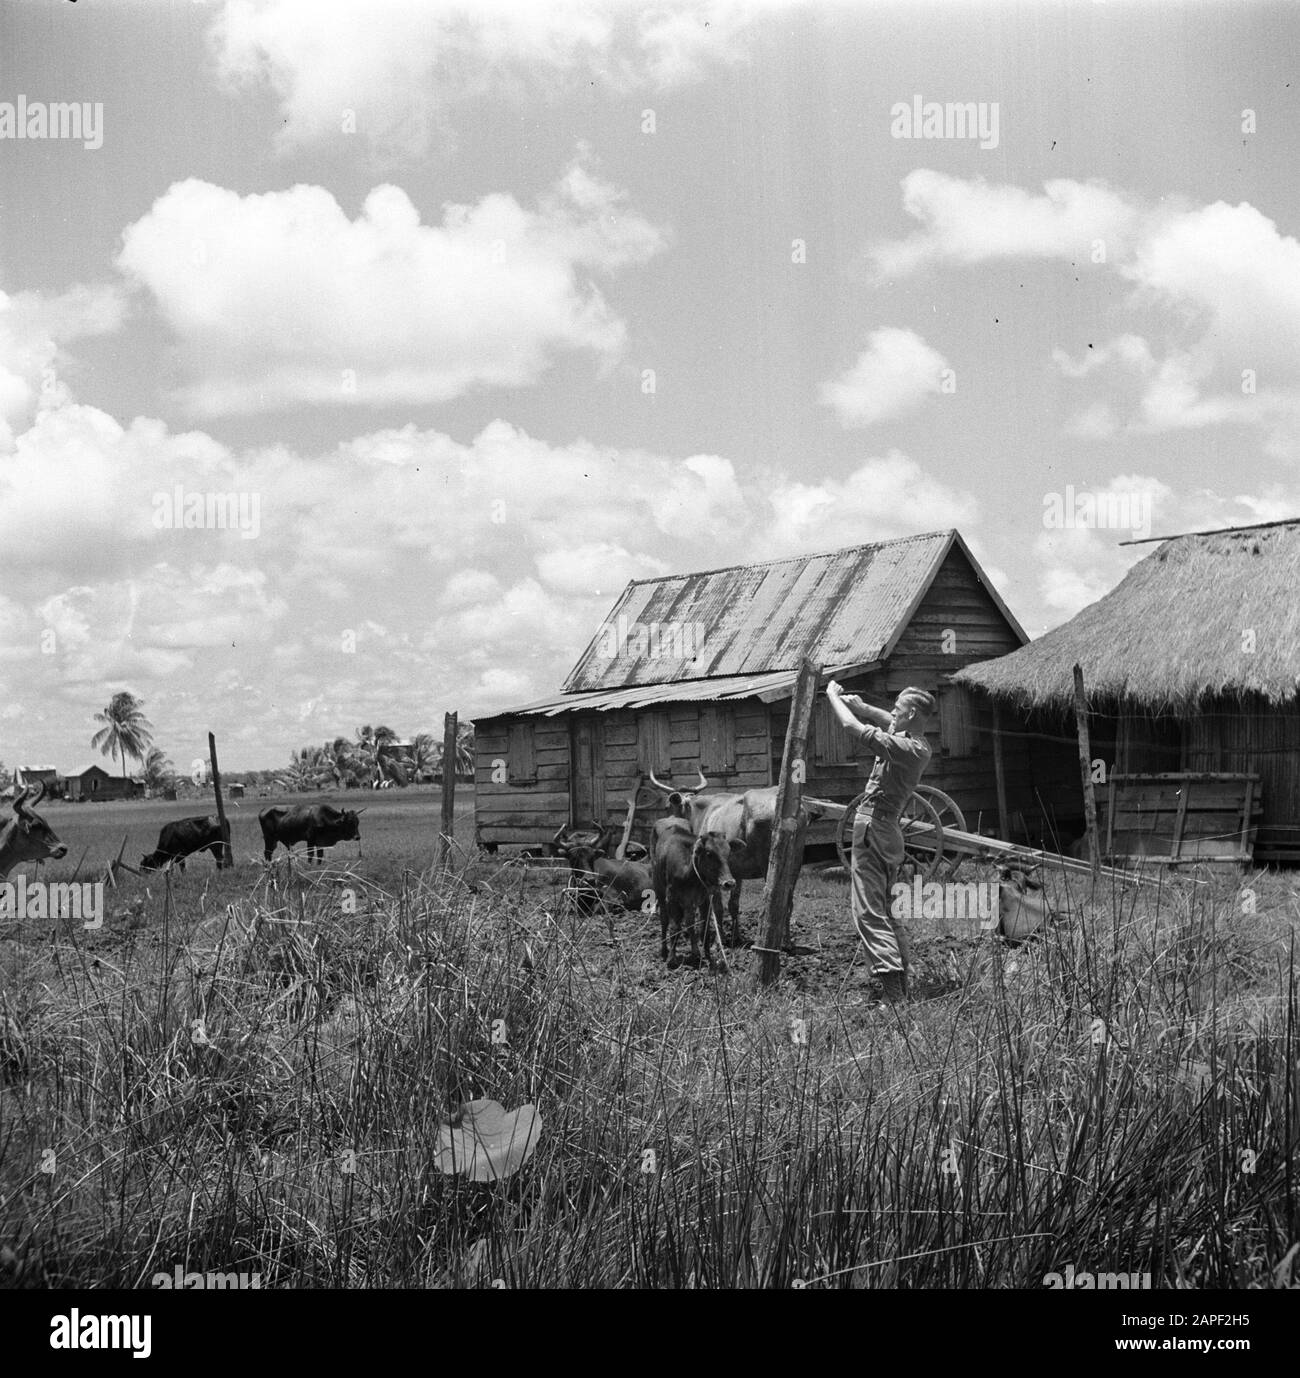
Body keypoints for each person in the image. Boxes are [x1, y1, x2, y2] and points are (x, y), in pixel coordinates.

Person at [824, 682, 937, 1005]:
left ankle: (893, 996)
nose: (893, 712)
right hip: (886, 832)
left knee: (868, 913)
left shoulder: (907, 749)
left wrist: (832, 696)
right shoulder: (914, 743)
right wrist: (862, 705)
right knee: (886, 911)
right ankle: (900, 985)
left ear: (912, 713)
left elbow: (851, 727)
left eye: (899, 707)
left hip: (872, 830)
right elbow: (887, 719)